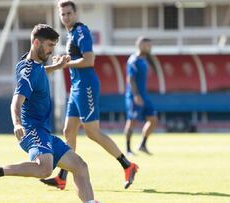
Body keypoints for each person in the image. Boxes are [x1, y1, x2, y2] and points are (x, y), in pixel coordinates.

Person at [0, 24, 99, 203]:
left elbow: (38, 73)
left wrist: (56, 67)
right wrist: (17, 123)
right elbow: (15, 102)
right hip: (31, 130)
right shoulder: (28, 71)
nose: (51, 50)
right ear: (36, 42)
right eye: (49, 45)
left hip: (43, 131)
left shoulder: (33, 65)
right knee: (45, 169)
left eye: (53, 46)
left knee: (80, 166)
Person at [40, 0, 138, 190]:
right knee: (69, 131)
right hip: (77, 88)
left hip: (86, 87)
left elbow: (89, 60)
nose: (66, 17)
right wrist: (65, 62)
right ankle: (62, 177)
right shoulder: (70, 35)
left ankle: (128, 165)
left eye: (69, 13)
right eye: (63, 14)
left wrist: (65, 64)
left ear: (75, 14)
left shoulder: (81, 32)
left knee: (92, 132)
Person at [124, 37, 158, 156]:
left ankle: (142, 145)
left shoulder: (145, 60)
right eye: (147, 45)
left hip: (144, 95)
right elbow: (131, 79)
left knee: (153, 120)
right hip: (134, 96)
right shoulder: (134, 60)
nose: (149, 47)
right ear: (140, 45)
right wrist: (136, 95)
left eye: (150, 45)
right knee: (132, 121)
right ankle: (128, 149)